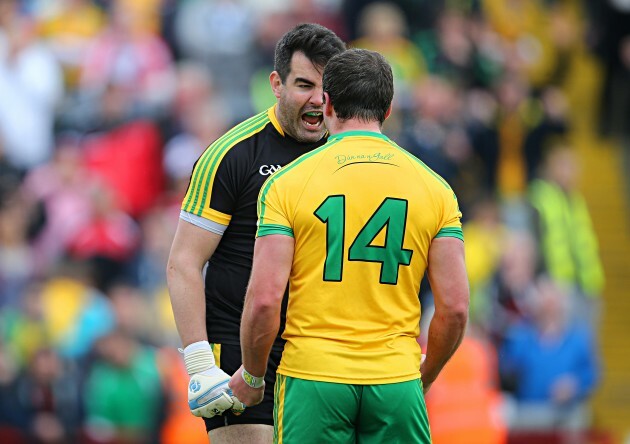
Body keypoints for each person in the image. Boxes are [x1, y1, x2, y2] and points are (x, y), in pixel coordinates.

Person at [229, 48, 470, 443]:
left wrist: (254, 376)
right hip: (395, 377)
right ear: (388, 109)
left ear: (327, 103)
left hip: (313, 376)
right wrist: (422, 376)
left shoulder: (287, 183)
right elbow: (456, 308)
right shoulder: (435, 188)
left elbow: (265, 300)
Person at [165, 23, 345, 444]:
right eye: (304, 85)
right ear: (276, 84)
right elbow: (184, 262)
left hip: (319, 348)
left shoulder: (348, 154)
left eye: (327, 88)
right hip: (239, 348)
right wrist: (199, 364)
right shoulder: (231, 154)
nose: (318, 100)